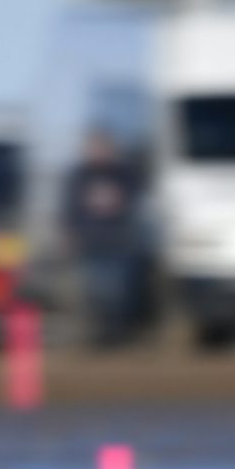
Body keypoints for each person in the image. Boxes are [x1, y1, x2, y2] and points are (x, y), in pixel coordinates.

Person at [60, 130, 145, 349]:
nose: (99, 152)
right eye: (95, 148)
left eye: (103, 147)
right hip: (90, 243)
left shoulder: (124, 174)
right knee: (93, 292)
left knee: (117, 293)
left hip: (118, 242)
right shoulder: (79, 175)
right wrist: (69, 235)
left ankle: (117, 336)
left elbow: (136, 204)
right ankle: (97, 336)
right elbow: (69, 209)